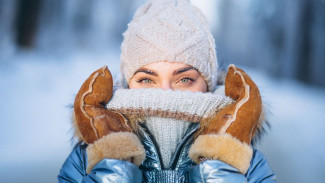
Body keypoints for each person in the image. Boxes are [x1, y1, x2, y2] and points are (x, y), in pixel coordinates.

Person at [58, 0, 276, 182]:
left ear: (207, 85)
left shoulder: (246, 163)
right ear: (127, 84)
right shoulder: (87, 159)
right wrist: (113, 166)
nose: (165, 93)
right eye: (146, 79)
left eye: (184, 79)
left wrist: (221, 163)